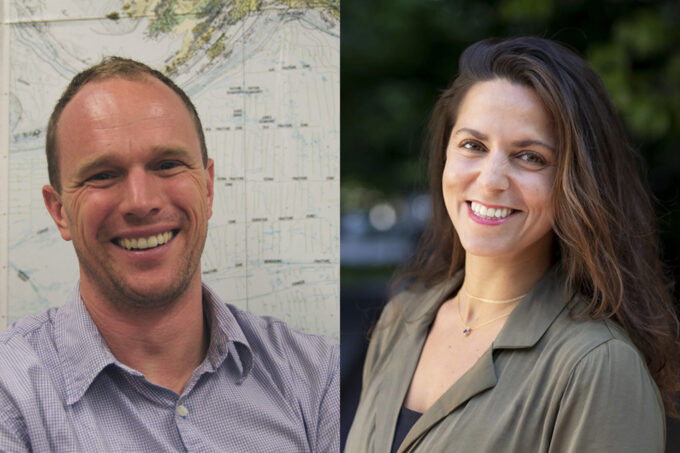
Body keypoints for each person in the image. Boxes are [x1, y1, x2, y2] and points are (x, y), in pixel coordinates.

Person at [345, 37, 680, 453]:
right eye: (473, 145)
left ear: (575, 183)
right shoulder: (401, 319)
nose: (490, 180)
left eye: (530, 157)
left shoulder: (598, 366)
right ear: (445, 153)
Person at [0, 57, 339, 452]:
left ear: (208, 188)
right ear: (59, 210)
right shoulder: (11, 396)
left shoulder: (318, 376)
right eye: (103, 174)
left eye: (167, 165)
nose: (141, 202)